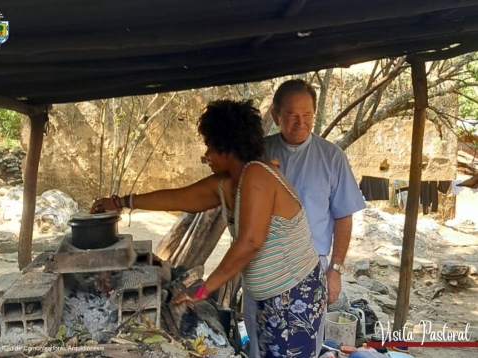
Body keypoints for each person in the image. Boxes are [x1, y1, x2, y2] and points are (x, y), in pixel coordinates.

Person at [91, 99, 327, 358]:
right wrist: (120, 202)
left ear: (227, 149)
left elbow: (250, 242)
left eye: (209, 147)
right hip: (269, 296)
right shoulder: (228, 182)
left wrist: (205, 288)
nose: (206, 155)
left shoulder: (258, 175)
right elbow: (176, 198)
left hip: (294, 298)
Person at [243, 79, 366, 357]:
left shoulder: (331, 157)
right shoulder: (259, 154)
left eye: (307, 115)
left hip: (312, 268)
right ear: (275, 115)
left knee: (305, 343)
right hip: (262, 266)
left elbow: (343, 216)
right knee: (258, 343)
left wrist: (335, 269)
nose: (301, 122)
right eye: (292, 115)